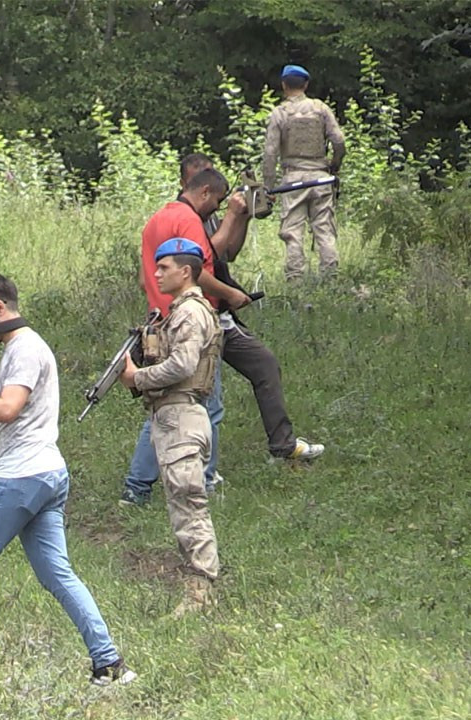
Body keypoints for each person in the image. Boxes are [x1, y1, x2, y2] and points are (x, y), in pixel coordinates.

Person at [0, 274, 136, 685]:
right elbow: (4, 412)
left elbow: (6, 408)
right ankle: (109, 663)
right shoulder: (21, 346)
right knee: (57, 574)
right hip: (47, 473)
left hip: (23, 475)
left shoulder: (24, 348)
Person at [183, 153, 325, 464]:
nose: (213, 184)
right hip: (194, 318)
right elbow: (202, 260)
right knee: (201, 402)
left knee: (264, 366)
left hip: (220, 317)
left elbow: (229, 252)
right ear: (190, 184)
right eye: (203, 179)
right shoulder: (183, 218)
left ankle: (283, 446)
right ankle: (183, 476)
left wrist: (245, 214)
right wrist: (233, 216)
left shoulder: (208, 214)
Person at [120, 169, 247, 506]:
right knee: (209, 405)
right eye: (216, 202)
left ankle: (137, 486)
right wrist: (232, 295)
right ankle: (204, 481)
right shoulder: (189, 220)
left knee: (164, 408)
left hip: (159, 321)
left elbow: (143, 276)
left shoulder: (156, 219)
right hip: (189, 319)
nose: (215, 210)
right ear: (204, 192)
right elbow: (202, 269)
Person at [119, 238, 223, 617]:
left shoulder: (190, 313)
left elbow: (182, 365)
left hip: (182, 416)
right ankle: (197, 586)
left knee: (188, 503)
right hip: (172, 416)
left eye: (164, 267)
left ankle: (200, 591)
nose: (157, 273)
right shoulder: (177, 313)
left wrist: (138, 378)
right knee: (182, 502)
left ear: (186, 271)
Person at [262, 64, 346, 281]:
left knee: (292, 233)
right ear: (306, 84)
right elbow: (339, 141)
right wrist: (334, 166)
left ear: (283, 85)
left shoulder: (279, 113)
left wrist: (269, 186)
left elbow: (270, 153)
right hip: (320, 177)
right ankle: (331, 278)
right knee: (324, 229)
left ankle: (295, 280)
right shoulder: (321, 109)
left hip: (292, 179)